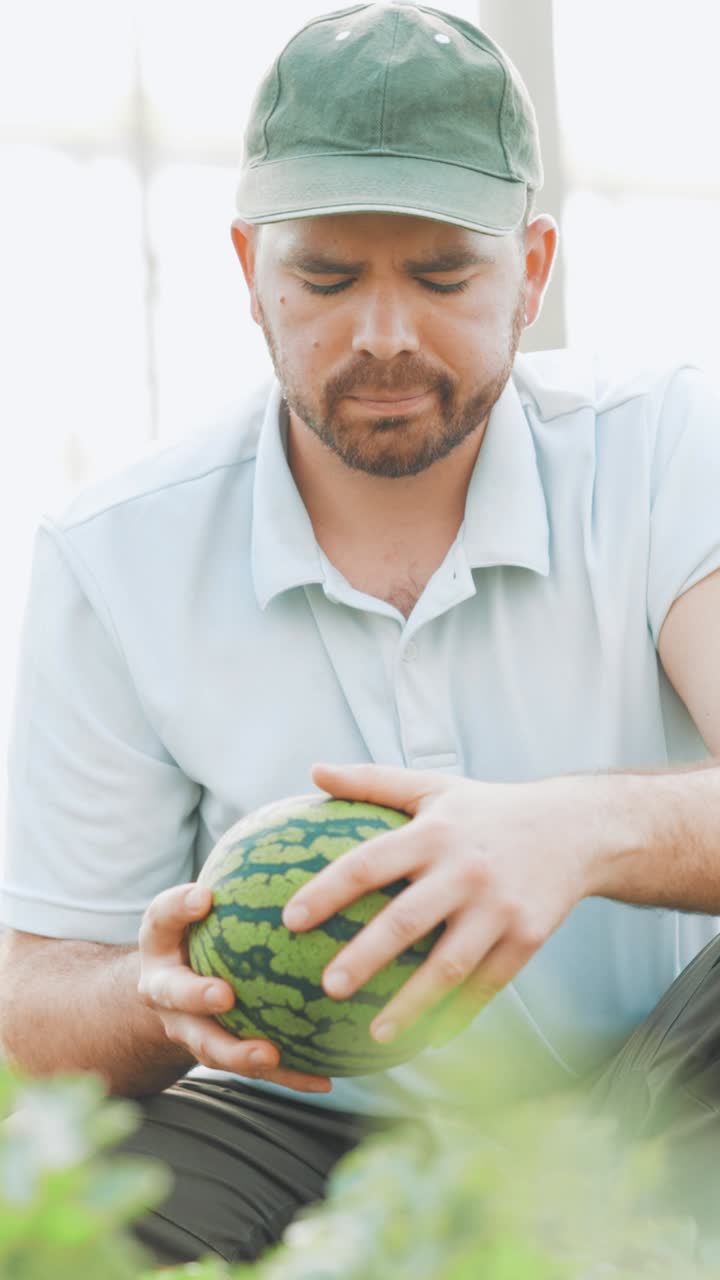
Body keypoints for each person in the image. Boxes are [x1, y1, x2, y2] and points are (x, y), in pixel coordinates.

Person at [2, 0, 720, 1266]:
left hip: (658, 1080)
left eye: (443, 274)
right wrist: (155, 995)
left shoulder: (666, 448)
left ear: (533, 268)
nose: (384, 332)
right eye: (327, 276)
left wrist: (575, 826)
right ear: (247, 270)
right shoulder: (116, 555)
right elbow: (30, 1007)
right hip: (304, 1122)